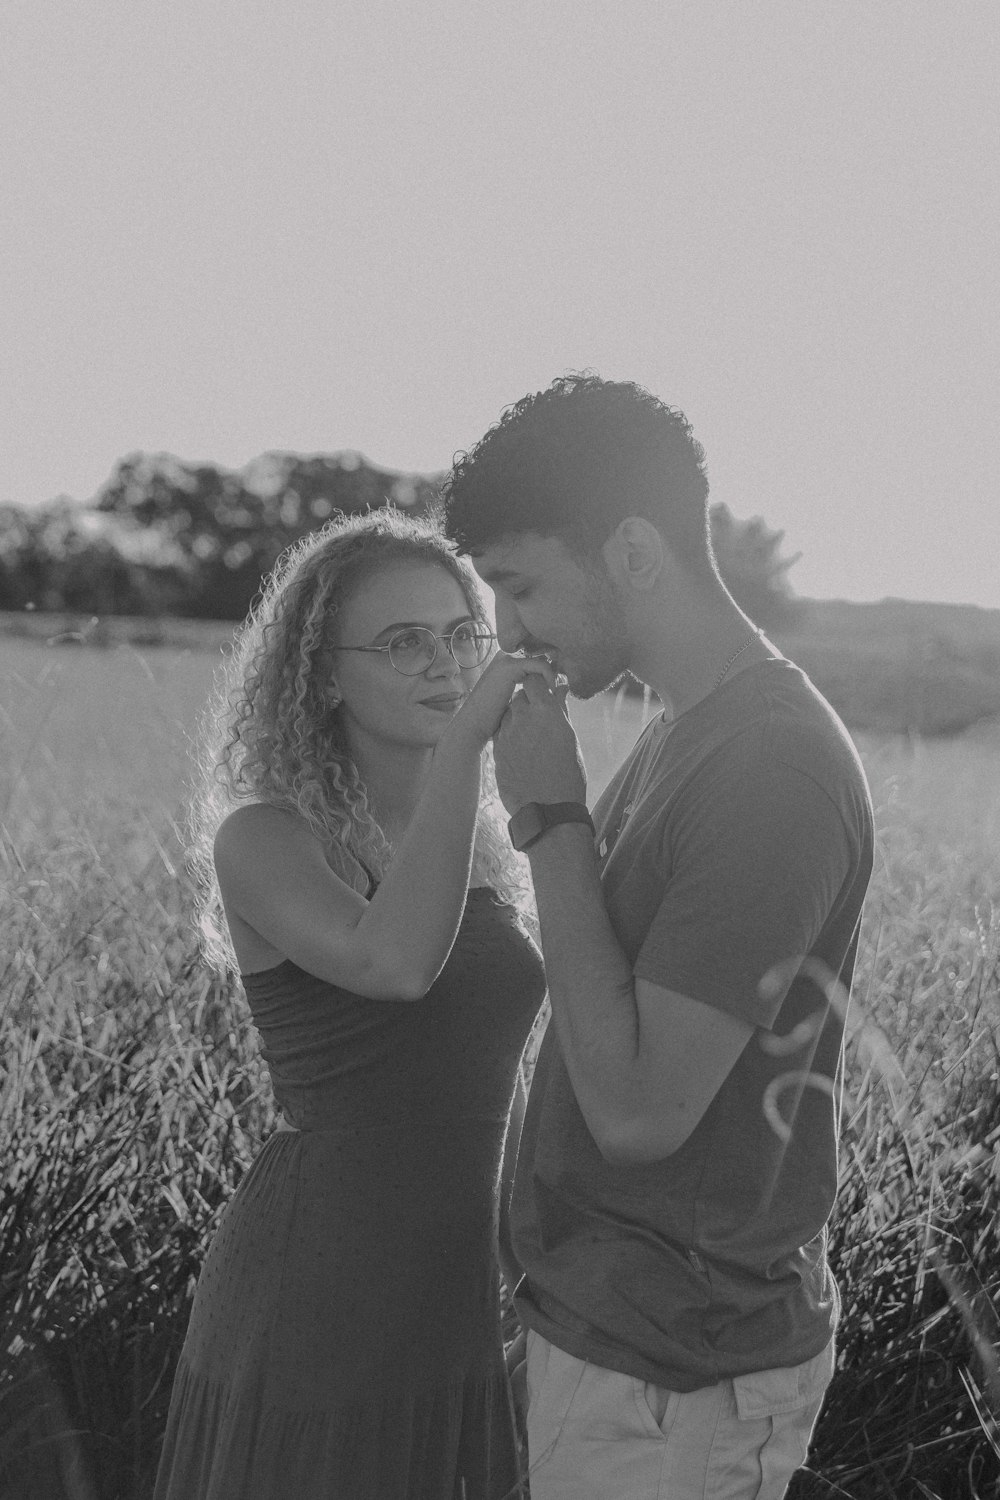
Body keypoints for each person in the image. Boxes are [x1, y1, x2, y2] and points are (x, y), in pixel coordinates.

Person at [443, 374, 875, 1500]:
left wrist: (547, 817)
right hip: (616, 1340)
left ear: (633, 550)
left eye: (520, 584)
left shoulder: (767, 769)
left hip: (672, 1380)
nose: (508, 631)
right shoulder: (688, 733)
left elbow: (638, 1109)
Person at [153, 508, 551, 1500]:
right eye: (404, 641)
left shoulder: (489, 841)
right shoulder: (264, 837)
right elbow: (395, 966)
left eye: (463, 635)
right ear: (322, 674)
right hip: (320, 1284)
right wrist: (465, 749)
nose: (445, 664)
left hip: (464, 1280)